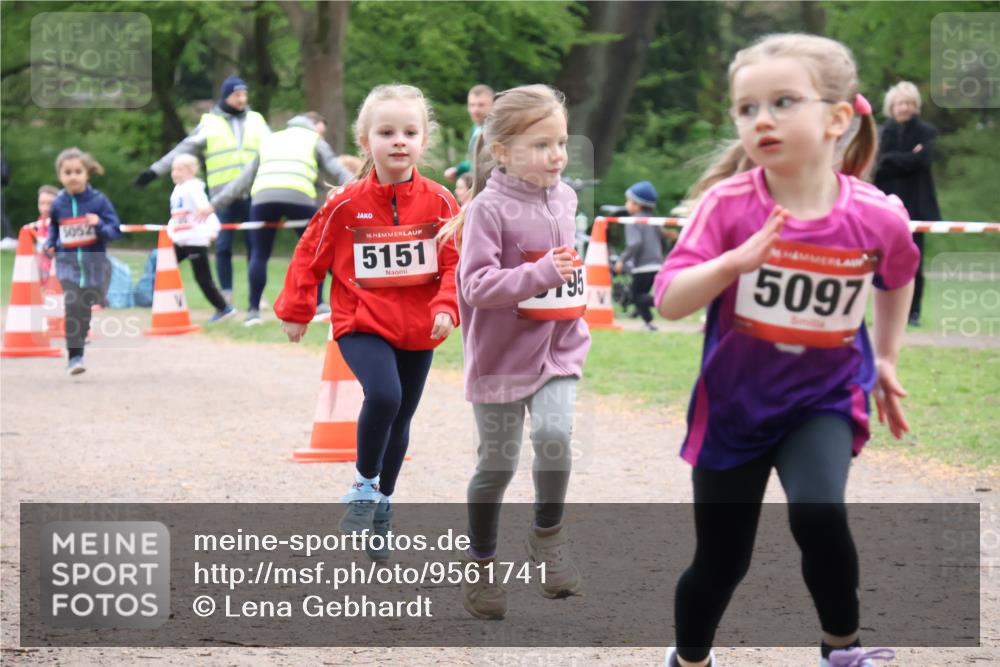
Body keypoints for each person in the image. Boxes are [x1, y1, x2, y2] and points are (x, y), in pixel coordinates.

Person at [654, 34, 918, 667]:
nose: (760, 118)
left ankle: (841, 649)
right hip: (734, 409)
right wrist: (733, 263)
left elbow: (899, 271)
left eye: (782, 101)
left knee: (820, 513)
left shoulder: (875, 216)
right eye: (746, 109)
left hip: (823, 398)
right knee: (721, 562)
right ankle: (689, 659)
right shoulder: (728, 206)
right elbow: (668, 299)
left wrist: (884, 357)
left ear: (836, 118)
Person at [274, 85, 459, 561]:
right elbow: (308, 257)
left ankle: (383, 505)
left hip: (420, 328)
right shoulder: (344, 204)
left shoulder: (440, 203)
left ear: (424, 140)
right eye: (387, 132)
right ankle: (363, 485)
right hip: (361, 320)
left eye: (410, 132)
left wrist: (445, 306)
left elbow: (456, 263)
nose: (399, 141)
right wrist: (296, 310)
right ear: (364, 140)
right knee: (385, 395)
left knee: (401, 417)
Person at [438, 84, 591, 619]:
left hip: (559, 350)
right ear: (501, 151)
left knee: (554, 437)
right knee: (496, 467)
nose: (556, 156)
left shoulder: (567, 197)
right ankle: (480, 565)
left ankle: (547, 538)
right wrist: (543, 273)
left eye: (562, 143)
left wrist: (571, 290)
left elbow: (568, 269)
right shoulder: (487, 209)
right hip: (501, 359)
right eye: (542, 145)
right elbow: (476, 285)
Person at [206, 112, 354, 325]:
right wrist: (366, 191)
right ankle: (319, 305)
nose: (322, 133)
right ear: (313, 125)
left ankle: (253, 312)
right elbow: (337, 170)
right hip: (298, 195)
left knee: (259, 253)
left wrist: (213, 204)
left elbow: (243, 180)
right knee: (317, 250)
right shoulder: (313, 139)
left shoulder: (270, 139)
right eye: (321, 128)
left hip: (263, 197)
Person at [134, 75, 271, 304]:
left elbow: (274, 148)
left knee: (255, 246)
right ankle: (226, 293)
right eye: (237, 94)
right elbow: (183, 149)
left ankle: (257, 294)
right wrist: (154, 171)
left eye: (244, 94)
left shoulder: (257, 120)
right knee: (224, 246)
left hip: (253, 193)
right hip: (220, 198)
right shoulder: (210, 122)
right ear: (227, 96)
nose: (242, 99)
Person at [44, 148, 122, 375]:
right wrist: (50, 244)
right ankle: (75, 357)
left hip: (95, 266)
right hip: (67, 265)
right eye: (67, 172)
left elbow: (114, 231)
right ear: (60, 176)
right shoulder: (58, 204)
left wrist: (98, 224)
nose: (73, 176)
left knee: (86, 307)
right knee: (72, 306)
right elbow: (54, 229)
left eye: (78, 171)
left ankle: (81, 335)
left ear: (87, 174)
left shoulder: (99, 201)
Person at [873, 81, 940, 327]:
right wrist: (905, 157)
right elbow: (878, 163)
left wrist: (893, 159)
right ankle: (881, 313)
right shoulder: (881, 133)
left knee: (915, 261)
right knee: (877, 260)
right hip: (885, 205)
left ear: (916, 107)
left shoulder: (926, 132)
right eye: (901, 103)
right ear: (892, 106)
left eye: (910, 103)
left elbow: (921, 161)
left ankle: (913, 313)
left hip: (917, 206)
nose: (905, 108)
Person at [167, 154, 236, 322]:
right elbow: (176, 217)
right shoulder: (177, 191)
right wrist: (171, 232)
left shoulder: (193, 189)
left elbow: (205, 209)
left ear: (191, 171)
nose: (175, 173)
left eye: (180, 169)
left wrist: (212, 230)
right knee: (162, 266)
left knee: (203, 278)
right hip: (180, 240)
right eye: (173, 169)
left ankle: (224, 308)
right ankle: (166, 304)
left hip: (195, 241)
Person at [613, 181, 666, 331]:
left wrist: (622, 260)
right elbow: (663, 241)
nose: (626, 204)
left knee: (637, 296)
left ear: (637, 205)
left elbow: (635, 243)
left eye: (628, 200)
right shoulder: (654, 220)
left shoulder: (633, 220)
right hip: (656, 264)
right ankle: (649, 323)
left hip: (642, 266)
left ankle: (665, 303)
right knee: (640, 294)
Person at [443, 84, 494, 182]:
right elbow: (474, 160)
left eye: (481, 105)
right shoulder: (475, 128)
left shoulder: (496, 130)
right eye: (472, 105)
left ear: (492, 105)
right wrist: (458, 170)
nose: (475, 110)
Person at [29, 185, 59, 285]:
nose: (45, 207)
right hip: (41, 272)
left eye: (50, 204)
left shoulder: (60, 224)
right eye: (42, 203)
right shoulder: (39, 223)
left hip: (57, 274)